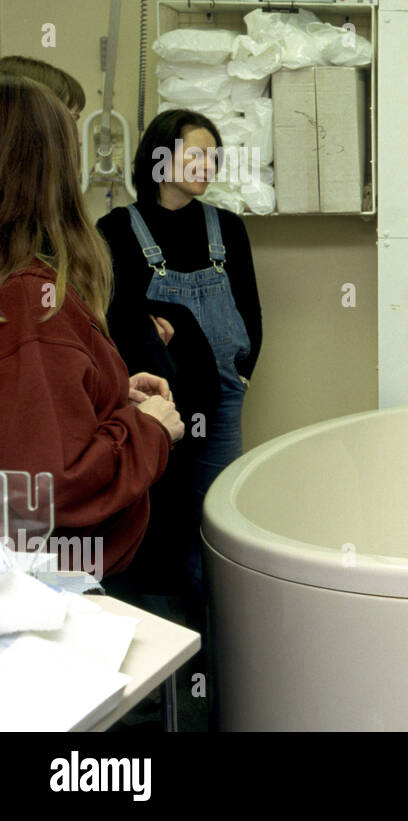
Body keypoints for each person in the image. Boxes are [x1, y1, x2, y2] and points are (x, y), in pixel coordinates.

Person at [0, 76, 182, 577]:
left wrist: (105, 392)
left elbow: (28, 417)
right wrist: (146, 430)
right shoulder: (28, 300)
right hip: (59, 582)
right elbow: (48, 483)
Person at [96, 108, 262, 608]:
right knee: (160, 511)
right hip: (152, 398)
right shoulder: (118, 227)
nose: (207, 166)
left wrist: (242, 373)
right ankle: (165, 624)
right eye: (197, 155)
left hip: (222, 394)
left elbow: (251, 309)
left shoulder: (227, 228)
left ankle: (212, 629)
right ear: (160, 156)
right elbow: (111, 311)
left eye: (214, 157)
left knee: (217, 511)